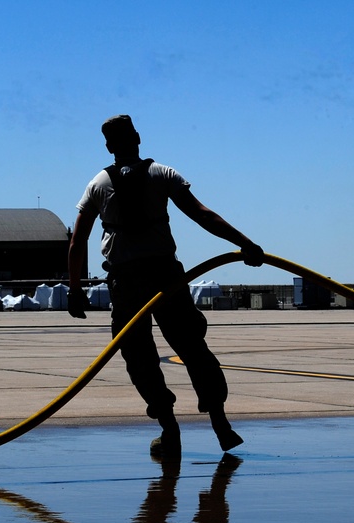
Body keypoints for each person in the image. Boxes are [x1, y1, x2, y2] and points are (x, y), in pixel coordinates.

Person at [68, 114, 264, 457]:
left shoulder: (97, 184)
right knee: (192, 348)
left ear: (109, 147)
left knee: (139, 358)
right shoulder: (162, 174)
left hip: (126, 282)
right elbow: (202, 214)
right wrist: (245, 243)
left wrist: (74, 289)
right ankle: (220, 423)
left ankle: (170, 431)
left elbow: (77, 241)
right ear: (138, 138)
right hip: (165, 278)